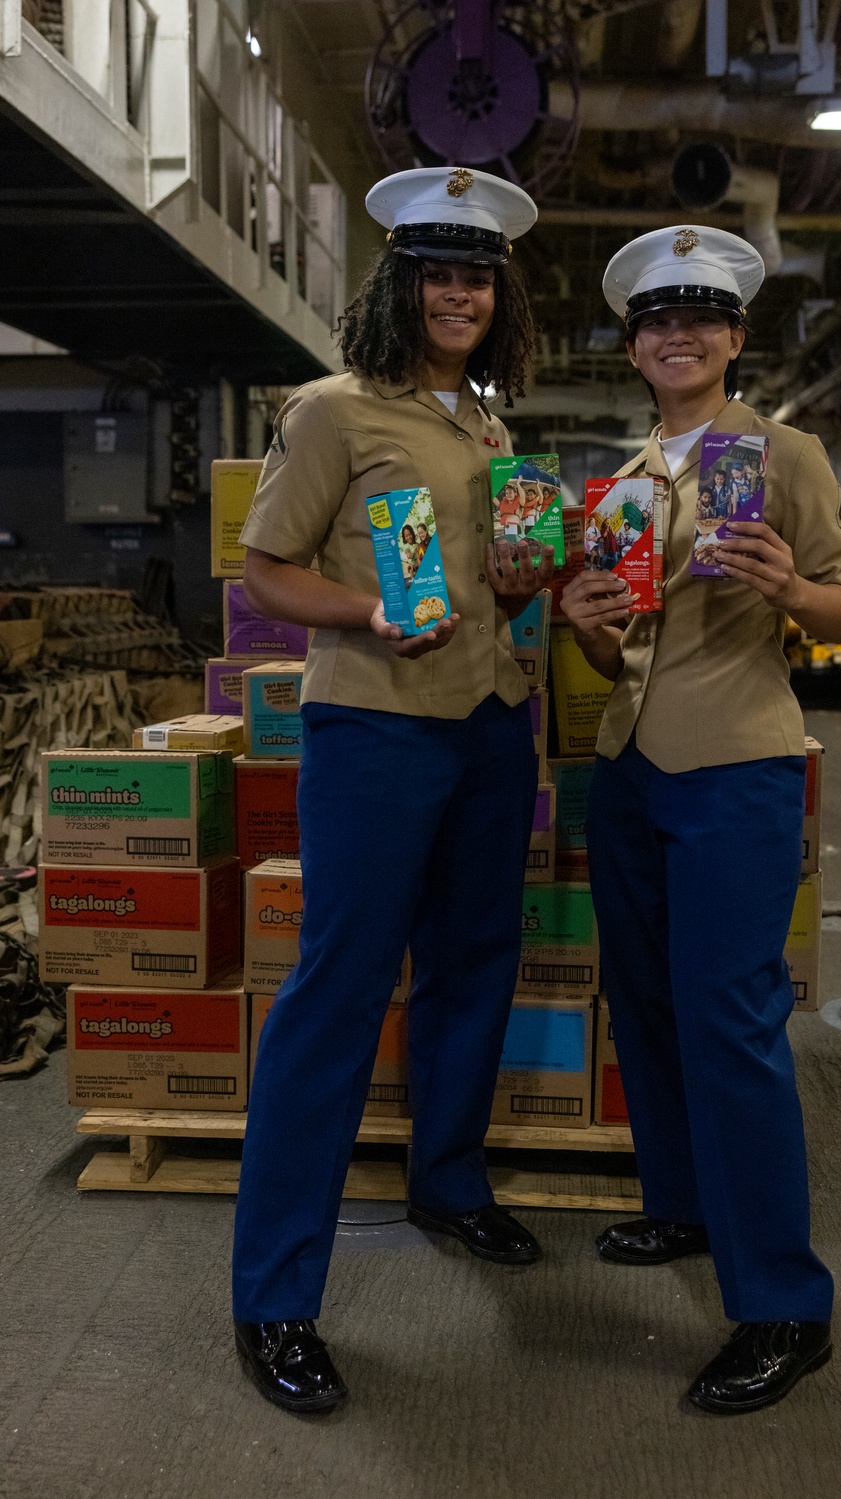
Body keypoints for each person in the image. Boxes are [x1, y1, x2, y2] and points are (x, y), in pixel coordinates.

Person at [230, 165, 555, 1415]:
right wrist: (369, 606)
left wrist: (531, 578)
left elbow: (491, 577)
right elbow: (266, 573)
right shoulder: (333, 409)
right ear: (400, 283)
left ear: (497, 296)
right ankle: (274, 1296)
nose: (460, 291)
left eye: (478, 275)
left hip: (488, 722)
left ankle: (449, 1179)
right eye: (438, 271)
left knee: (476, 956)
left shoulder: (488, 426)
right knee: (340, 982)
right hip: (376, 728)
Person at [560, 225, 841, 1416]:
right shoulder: (628, 481)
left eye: (699, 316)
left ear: (734, 337)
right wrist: (585, 619)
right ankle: (682, 1203)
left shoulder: (781, 454)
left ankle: (784, 1303)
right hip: (629, 767)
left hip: (734, 764)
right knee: (644, 1002)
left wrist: (792, 588)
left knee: (733, 1024)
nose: (675, 333)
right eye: (653, 320)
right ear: (633, 347)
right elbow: (615, 643)